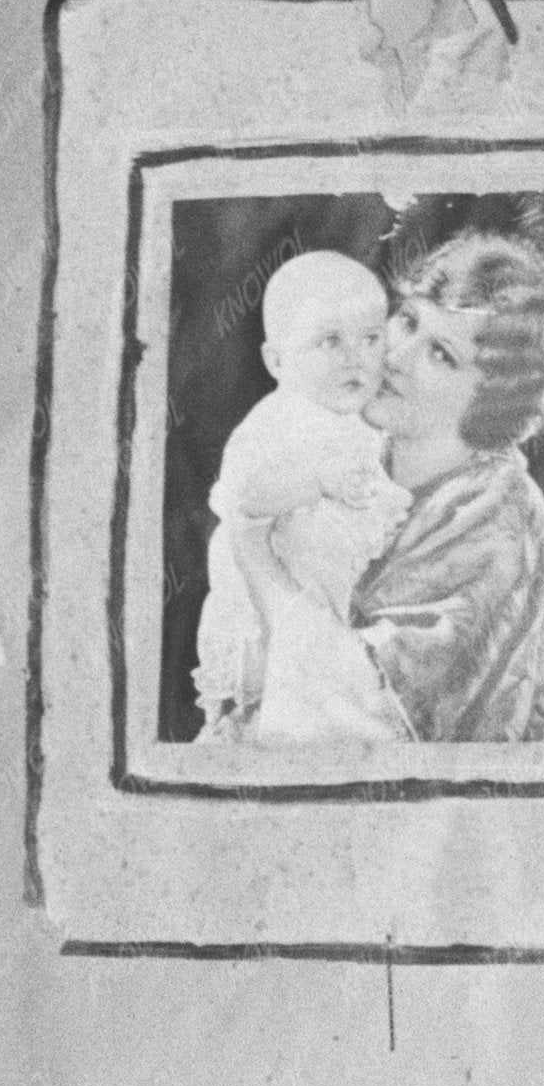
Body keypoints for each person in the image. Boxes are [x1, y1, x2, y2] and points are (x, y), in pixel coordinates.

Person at [351, 229, 544, 744]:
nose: (396, 356)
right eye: (407, 321)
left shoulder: (499, 514)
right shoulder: (356, 451)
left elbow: (383, 702)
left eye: (441, 354)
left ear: (494, 399)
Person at [193, 248, 410, 742]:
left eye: (371, 339)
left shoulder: (353, 417)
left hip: (325, 592)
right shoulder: (278, 422)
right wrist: (316, 482)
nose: (357, 358)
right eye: (330, 341)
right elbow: (244, 497)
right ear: (277, 360)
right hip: (261, 605)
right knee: (282, 708)